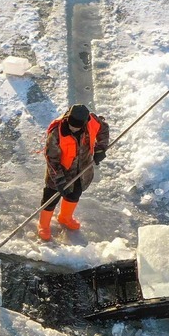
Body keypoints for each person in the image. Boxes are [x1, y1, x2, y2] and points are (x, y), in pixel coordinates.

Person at [39, 103, 110, 241]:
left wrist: (101, 148)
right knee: (50, 199)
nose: (73, 129)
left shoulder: (92, 121)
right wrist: (59, 180)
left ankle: (65, 217)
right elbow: (52, 159)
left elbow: (104, 129)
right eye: (71, 125)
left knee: (74, 194)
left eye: (77, 127)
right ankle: (44, 225)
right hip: (59, 173)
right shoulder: (56, 132)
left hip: (82, 171)